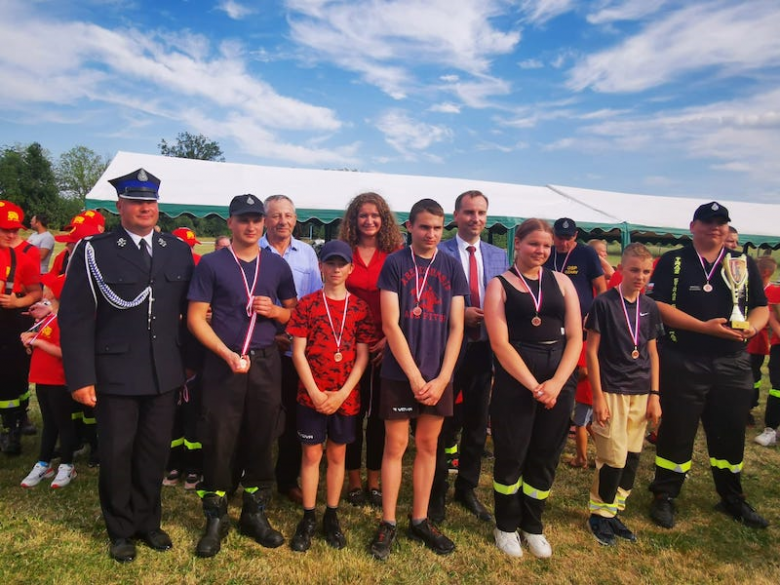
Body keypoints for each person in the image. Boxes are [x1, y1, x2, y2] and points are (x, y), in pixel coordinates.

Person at [59, 169, 195, 563]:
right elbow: (76, 318)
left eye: (150, 202)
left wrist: (187, 363)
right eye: (136, 202)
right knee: (118, 454)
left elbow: (188, 313)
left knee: (154, 453)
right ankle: (120, 528)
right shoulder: (94, 250)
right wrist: (81, 377)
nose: (145, 208)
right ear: (120, 206)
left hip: (163, 372)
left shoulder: (177, 250)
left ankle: (148, 521)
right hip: (114, 374)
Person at [647, 201, 769, 530]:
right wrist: (703, 327)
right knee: (676, 431)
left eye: (721, 222)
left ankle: (732, 497)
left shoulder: (742, 262)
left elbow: (760, 306)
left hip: (731, 361)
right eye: (707, 221)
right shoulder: (674, 260)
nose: (715, 227)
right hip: (683, 358)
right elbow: (657, 305)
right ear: (693, 226)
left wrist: (752, 328)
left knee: (729, 432)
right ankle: (665, 495)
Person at [187, 194, 297, 558]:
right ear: (230, 223)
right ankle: (215, 517)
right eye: (243, 219)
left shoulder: (277, 266)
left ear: (263, 224)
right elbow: (195, 318)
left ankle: (255, 513)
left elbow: (293, 314)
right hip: (222, 364)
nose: (251, 226)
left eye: (256, 219)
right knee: (219, 436)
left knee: (262, 434)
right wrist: (225, 354)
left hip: (266, 363)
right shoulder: (212, 263)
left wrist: (276, 311)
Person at [369, 198, 468, 561]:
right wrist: (412, 374)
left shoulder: (451, 266)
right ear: (410, 226)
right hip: (400, 372)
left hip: (438, 372)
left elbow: (457, 327)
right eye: (424, 226)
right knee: (395, 446)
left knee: (428, 446)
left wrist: (443, 377)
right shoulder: (395, 263)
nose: (431, 234)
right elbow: (390, 323)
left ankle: (420, 519)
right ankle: (389, 521)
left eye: (437, 228)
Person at [484, 218, 582, 559]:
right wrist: (534, 385)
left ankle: (533, 524)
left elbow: (576, 336)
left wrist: (555, 384)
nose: (540, 251)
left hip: (558, 377)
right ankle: (506, 525)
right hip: (517, 376)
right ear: (518, 244)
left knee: (545, 454)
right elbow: (499, 343)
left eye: (546, 245)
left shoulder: (563, 283)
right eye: (533, 244)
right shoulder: (499, 285)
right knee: (512, 454)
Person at [287, 240, 372, 552]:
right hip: (311, 394)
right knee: (311, 455)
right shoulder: (307, 305)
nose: (336, 269)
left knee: (337, 455)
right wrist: (314, 391)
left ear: (350, 268)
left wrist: (342, 394)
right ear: (320, 267)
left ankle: (331, 515)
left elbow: (362, 357)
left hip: (345, 397)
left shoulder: (360, 308)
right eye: (330, 263)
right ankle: (309, 515)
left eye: (342, 264)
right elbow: (297, 352)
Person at [430, 189, 508, 524]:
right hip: (447, 347)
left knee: (477, 423)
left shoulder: (498, 256)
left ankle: (467, 488)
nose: (475, 219)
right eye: (468, 212)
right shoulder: (438, 250)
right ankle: (435, 493)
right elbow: (431, 300)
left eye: (481, 213)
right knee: (442, 422)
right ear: (456, 216)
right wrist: (461, 317)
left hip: (483, 349)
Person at [585, 243, 662, 546]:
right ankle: (598, 514)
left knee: (631, 457)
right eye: (633, 270)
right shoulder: (604, 303)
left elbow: (653, 353)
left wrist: (655, 394)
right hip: (613, 390)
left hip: (642, 392)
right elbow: (591, 352)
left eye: (645, 271)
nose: (639, 276)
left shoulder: (651, 307)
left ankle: (614, 510)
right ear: (620, 270)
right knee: (612, 456)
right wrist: (598, 396)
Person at [339, 192, 405, 508]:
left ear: (384, 219)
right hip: (348, 345)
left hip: (385, 346)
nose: (369, 221)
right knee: (351, 413)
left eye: (375, 215)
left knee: (379, 416)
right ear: (354, 219)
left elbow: (407, 299)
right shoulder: (344, 253)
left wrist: (390, 339)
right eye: (363, 215)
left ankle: (375, 480)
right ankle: (353, 479)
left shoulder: (395, 253)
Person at [260, 194, 322, 505]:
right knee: (258, 415)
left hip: (296, 351)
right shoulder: (252, 250)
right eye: (276, 216)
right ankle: (251, 478)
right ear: (265, 219)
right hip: (260, 347)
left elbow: (313, 300)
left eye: (288, 215)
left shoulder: (307, 254)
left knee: (294, 418)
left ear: (295, 220)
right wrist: (272, 335)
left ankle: (286, 479)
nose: (282, 221)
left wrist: (296, 336)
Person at [20, 272, 79, 489]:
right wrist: (31, 339)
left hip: (58, 380)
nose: (44, 289)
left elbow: (65, 351)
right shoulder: (50, 316)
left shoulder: (65, 320)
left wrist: (36, 341)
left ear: (55, 292)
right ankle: (44, 463)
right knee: (49, 423)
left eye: (48, 287)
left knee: (64, 423)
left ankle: (67, 465)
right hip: (42, 379)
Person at [0, 200, 42, 456]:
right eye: (5, 229)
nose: (12, 235)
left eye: (15, 230)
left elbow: (35, 292)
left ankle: (12, 428)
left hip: (10, 321)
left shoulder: (23, 259)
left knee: (12, 376)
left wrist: (18, 301)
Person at [163, 226, 204, 488]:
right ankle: (171, 463)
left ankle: (193, 465)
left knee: (193, 416)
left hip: (192, 357)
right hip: (167, 356)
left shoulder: (198, 273)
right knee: (169, 416)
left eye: (190, 247)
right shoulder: (159, 274)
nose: (186, 251)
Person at [544, 218, 605, 320]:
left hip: (581, 316)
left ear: (576, 235)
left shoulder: (587, 253)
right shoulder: (546, 253)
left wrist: (595, 314)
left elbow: (601, 287)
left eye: (568, 238)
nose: (564, 243)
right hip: (551, 317)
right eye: (560, 238)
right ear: (552, 234)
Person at [753, 256, 780, 447]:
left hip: (762, 344)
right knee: (777, 387)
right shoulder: (776, 293)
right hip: (776, 345)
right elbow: (771, 317)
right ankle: (770, 428)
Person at [569, 342, 594, 469]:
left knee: (580, 425)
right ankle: (604, 451)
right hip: (597, 391)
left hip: (586, 392)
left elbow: (584, 371)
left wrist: (572, 381)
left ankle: (581, 458)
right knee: (590, 424)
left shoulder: (585, 346)